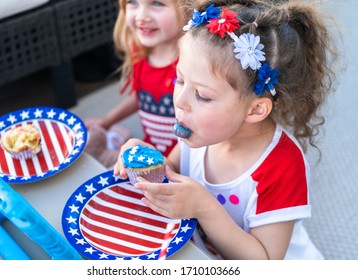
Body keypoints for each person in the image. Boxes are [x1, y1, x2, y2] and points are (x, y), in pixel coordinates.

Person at [114, 0, 339, 259]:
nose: (180, 101)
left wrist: (204, 208)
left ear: (255, 110)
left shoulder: (283, 166)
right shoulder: (202, 134)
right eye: (180, 80)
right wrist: (146, 162)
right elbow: (171, 171)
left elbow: (264, 262)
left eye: (203, 96)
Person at [84, 0, 191, 167]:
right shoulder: (142, 54)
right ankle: (116, 140)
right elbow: (143, 96)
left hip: (182, 165)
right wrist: (106, 121)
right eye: (133, 2)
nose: (141, 16)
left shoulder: (190, 67)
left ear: (188, 8)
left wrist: (168, 166)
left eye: (157, 3)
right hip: (149, 152)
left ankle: (115, 143)